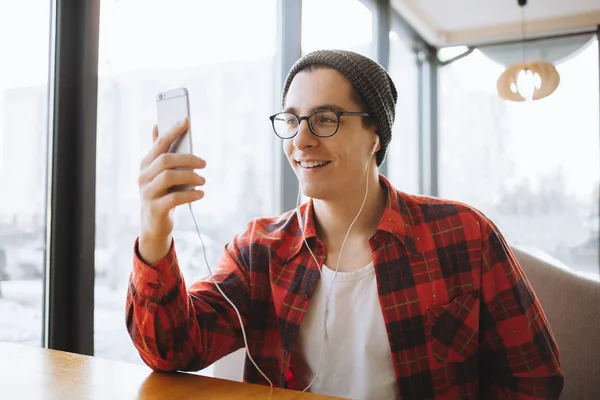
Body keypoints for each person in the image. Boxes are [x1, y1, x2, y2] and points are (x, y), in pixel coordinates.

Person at [126, 49, 564, 399]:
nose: (301, 139)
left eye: (325, 118)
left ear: (375, 134)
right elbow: (171, 348)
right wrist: (155, 230)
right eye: (292, 119)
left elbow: (534, 378)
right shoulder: (259, 248)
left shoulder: (464, 235)